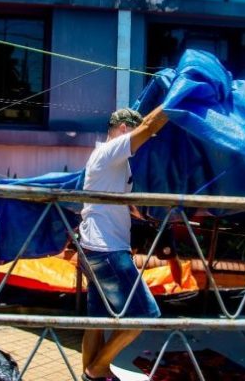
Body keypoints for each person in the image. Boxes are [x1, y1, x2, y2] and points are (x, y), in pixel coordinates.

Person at [79, 106, 169, 381]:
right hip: (107, 250)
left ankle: (90, 375)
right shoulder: (113, 150)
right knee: (145, 314)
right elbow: (150, 127)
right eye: (133, 131)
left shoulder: (108, 160)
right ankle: (98, 368)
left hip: (93, 246)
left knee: (97, 321)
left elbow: (114, 198)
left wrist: (140, 213)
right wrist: (177, 100)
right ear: (122, 130)